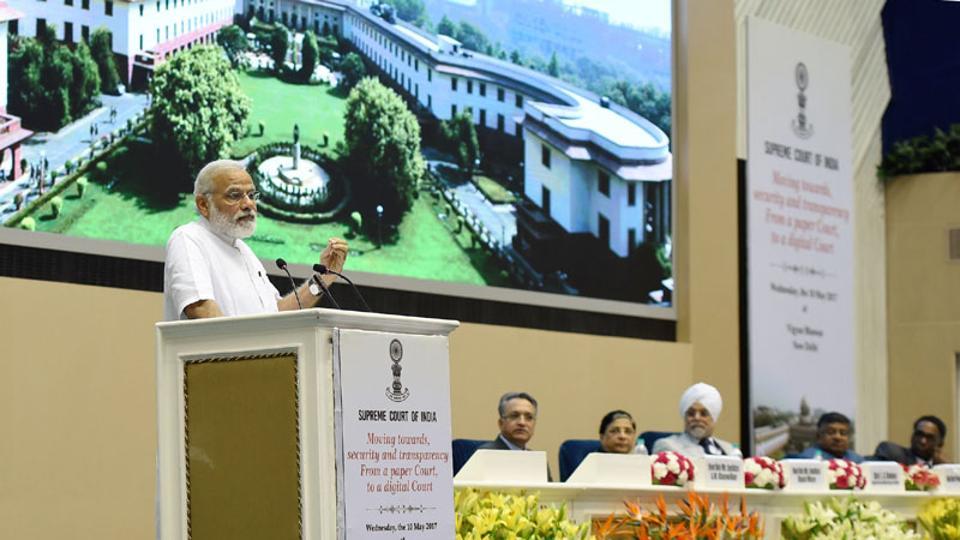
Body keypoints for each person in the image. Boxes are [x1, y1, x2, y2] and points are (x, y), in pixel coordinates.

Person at [163, 159, 348, 321]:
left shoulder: (244, 251)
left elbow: (277, 314)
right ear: (203, 205)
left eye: (252, 195)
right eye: (234, 195)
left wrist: (323, 279)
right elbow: (201, 310)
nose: (248, 204)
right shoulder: (189, 238)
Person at [652, 382, 741, 457]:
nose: (697, 418)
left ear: (714, 418)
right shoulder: (667, 446)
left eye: (703, 414)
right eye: (691, 413)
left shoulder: (730, 450)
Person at [478, 391, 552, 480]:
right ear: (501, 423)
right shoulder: (486, 455)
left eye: (529, 417)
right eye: (514, 416)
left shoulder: (538, 461)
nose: (522, 422)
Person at [872, 415, 946, 466]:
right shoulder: (894, 454)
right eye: (919, 434)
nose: (923, 441)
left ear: (940, 443)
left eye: (929, 437)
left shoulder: (943, 469)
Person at [795, 412, 864, 462]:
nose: (838, 437)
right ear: (818, 436)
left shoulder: (857, 460)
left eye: (843, 433)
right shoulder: (807, 459)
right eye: (831, 432)